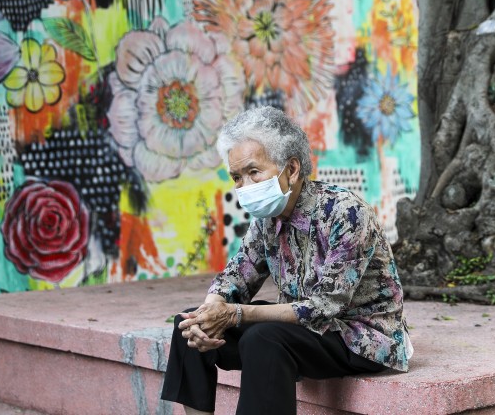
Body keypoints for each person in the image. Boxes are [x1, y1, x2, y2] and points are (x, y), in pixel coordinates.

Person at [160, 106, 412, 415]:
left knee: (263, 338)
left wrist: (236, 314)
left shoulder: (345, 212)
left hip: (359, 337)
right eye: (238, 177)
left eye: (254, 172)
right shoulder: (268, 218)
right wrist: (212, 307)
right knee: (189, 322)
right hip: (305, 332)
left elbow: (325, 306)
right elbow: (237, 277)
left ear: (291, 169)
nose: (245, 185)